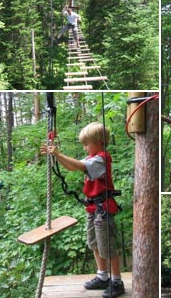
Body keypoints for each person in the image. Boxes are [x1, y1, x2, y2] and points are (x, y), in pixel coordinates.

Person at [40, 122, 125, 298]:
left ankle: (117, 281)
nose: (85, 147)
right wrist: (55, 156)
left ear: (99, 142)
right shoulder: (91, 158)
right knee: (94, 243)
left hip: (103, 209)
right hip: (93, 208)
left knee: (107, 246)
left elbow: (79, 166)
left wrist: (58, 153)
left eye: (87, 144)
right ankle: (103, 276)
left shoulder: (102, 158)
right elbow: (73, 166)